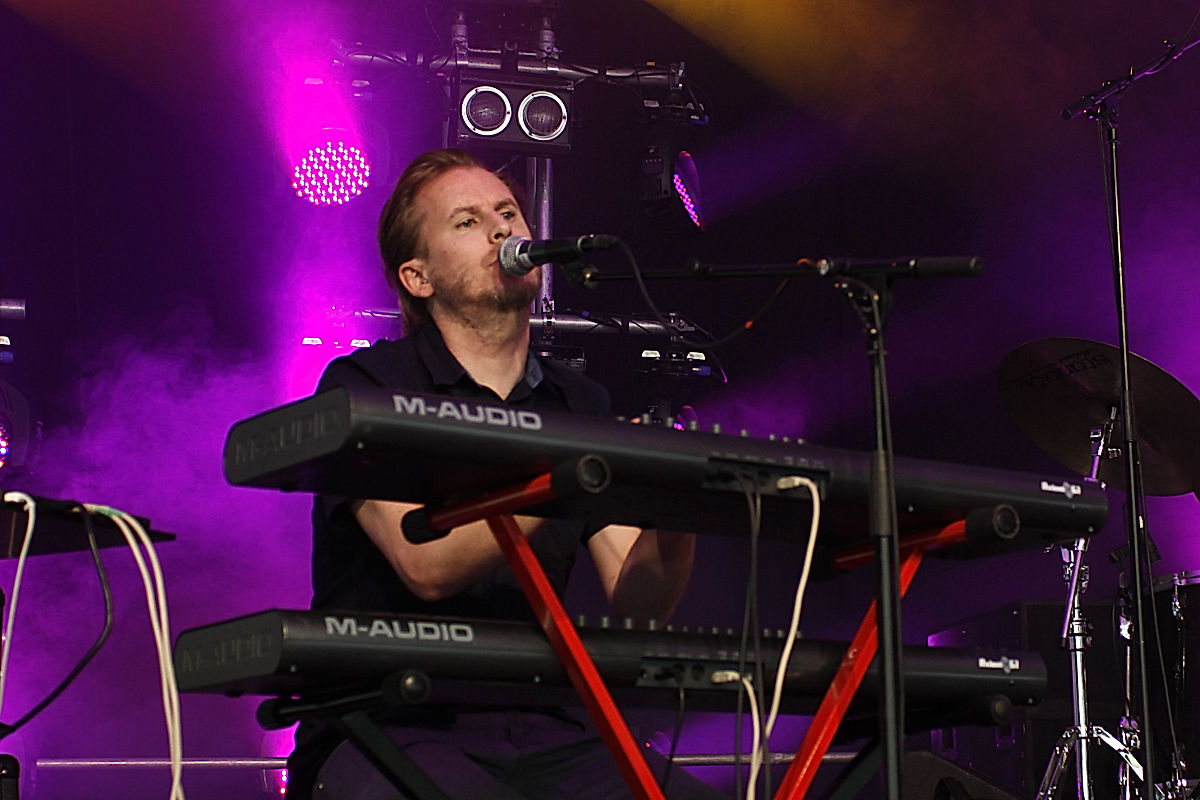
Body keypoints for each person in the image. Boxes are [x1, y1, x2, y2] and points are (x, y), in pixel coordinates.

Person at [287, 148, 726, 799]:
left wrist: (679, 509)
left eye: (508, 213)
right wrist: (572, 473)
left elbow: (640, 604)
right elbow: (426, 567)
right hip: (389, 723)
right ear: (418, 277)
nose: (501, 231)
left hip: (548, 727)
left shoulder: (579, 404)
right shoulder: (366, 386)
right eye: (466, 222)